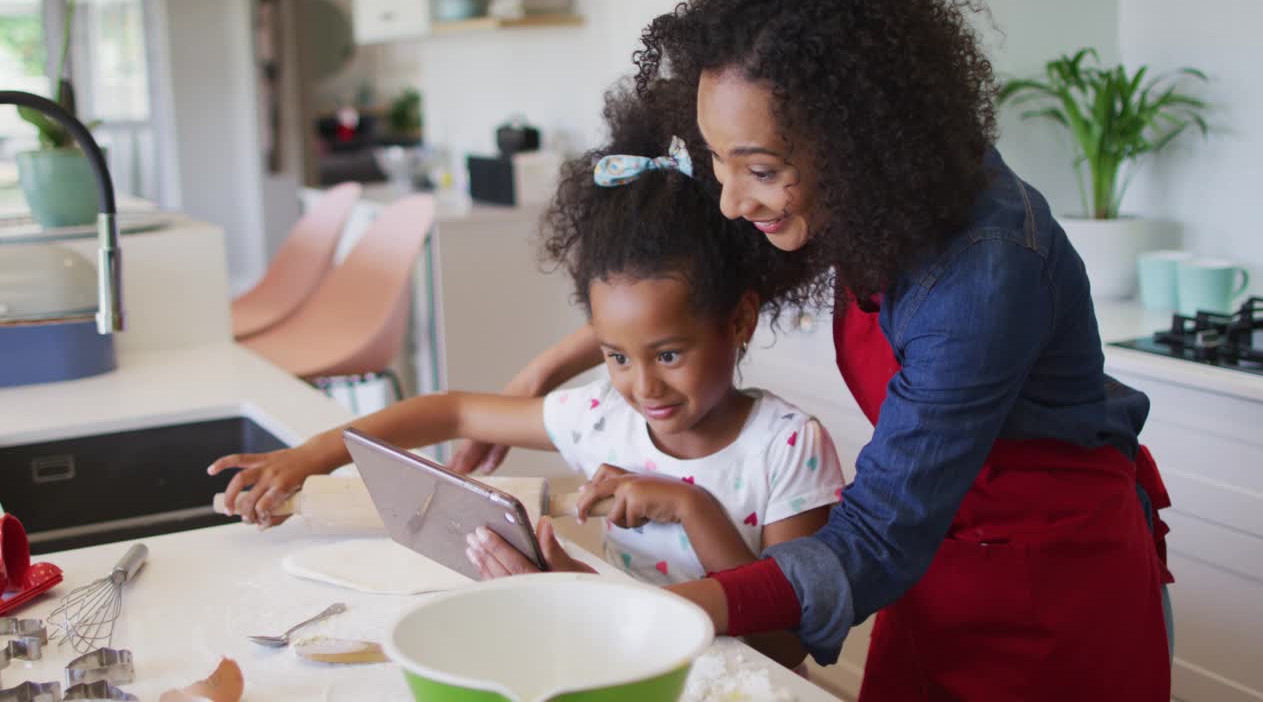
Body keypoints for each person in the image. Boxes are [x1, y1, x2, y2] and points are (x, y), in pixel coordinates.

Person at [458, 0, 1176, 699]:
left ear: (856, 144)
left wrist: (634, 614)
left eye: (762, 171)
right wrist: (544, 372)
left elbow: (874, 539)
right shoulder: (869, 193)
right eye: (717, 159)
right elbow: (695, 294)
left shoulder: (983, 272)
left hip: (1045, 593)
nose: (733, 202)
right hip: (935, 562)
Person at [209, 87, 845, 668]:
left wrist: (693, 508)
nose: (644, 387)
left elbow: (784, 647)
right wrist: (311, 457)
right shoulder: (605, 417)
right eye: (616, 356)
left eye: (669, 355)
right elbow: (452, 411)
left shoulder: (788, 448)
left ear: (737, 320)